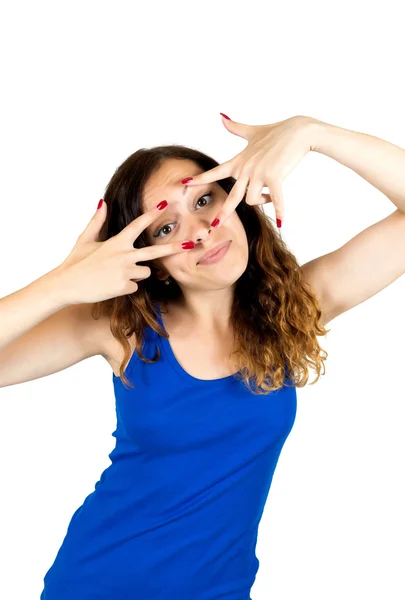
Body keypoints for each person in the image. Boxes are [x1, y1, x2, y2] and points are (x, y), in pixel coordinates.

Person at [0, 144, 348, 599]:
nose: (201, 231)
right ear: (154, 265)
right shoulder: (122, 329)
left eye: (203, 200)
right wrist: (59, 285)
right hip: (97, 584)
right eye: (167, 227)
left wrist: (312, 131)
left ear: (235, 199)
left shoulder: (294, 307)